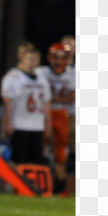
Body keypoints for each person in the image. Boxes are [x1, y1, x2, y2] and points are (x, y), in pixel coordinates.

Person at [0, 45, 52, 166]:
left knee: (36, 163)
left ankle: (29, 185)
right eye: (30, 59)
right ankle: (15, 185)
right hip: (19, 125)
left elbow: (47, 105)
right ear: (22, 59)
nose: (32, 62)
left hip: (37, 126)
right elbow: (8, 105)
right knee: (18, 162)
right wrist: (7, 123)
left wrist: (48, 125)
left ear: (39, 61)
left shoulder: (42, 80)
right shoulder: (13, 78)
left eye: (35, 59)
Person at [35, 43, 75, 195]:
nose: (59, 60)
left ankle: (61, 187)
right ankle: (42, 184)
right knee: (41, 151)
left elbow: (71, 99)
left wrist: (50, 98)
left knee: (60, 154)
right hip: (43, 114)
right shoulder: (41, 72)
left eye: (62, 57)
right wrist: (58, 99)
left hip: (62, 115)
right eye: (56, 57)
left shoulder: (73, 75)